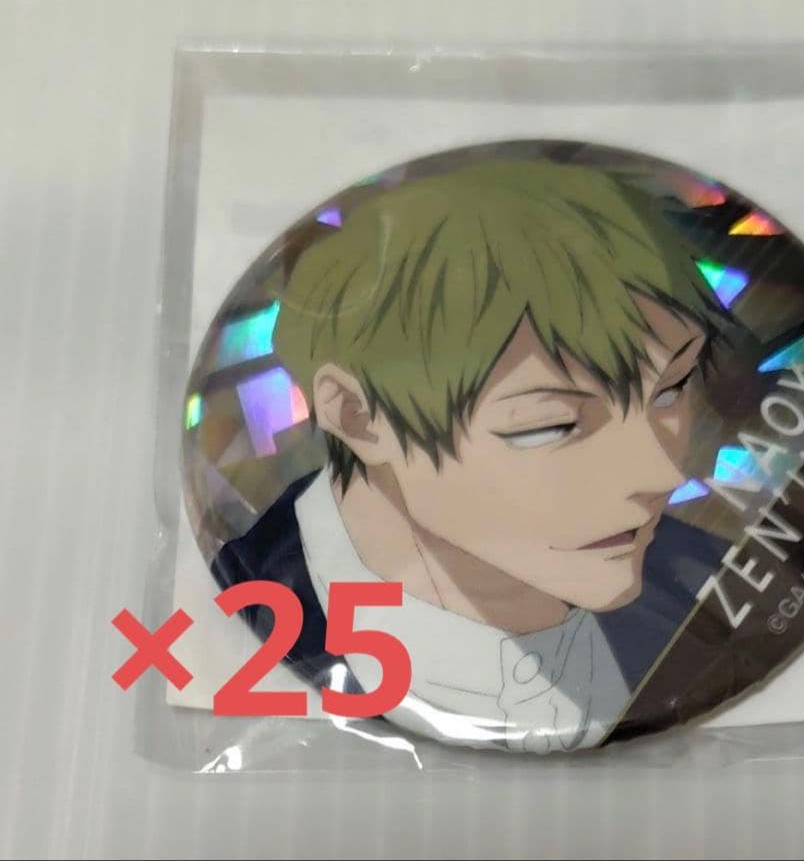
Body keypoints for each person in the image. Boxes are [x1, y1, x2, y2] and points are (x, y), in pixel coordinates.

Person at [213, 158, 734, 752]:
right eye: (550, 424)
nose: (664, 472)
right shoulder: (230, 615)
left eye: (671, 388)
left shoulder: (712, 584)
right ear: (357, 415)